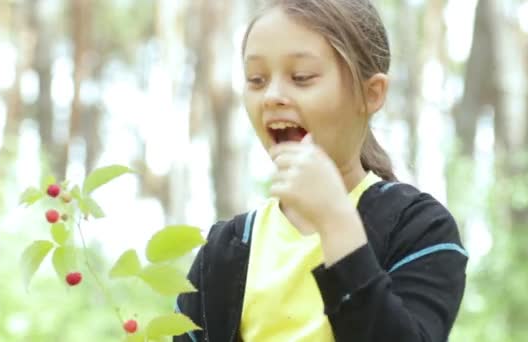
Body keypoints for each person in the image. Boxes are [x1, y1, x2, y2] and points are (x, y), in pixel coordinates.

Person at [175, 0, 468, 341]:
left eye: (301, 77)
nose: (272, 96)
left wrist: (334, 222)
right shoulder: (222, 250)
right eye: (256, 79)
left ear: (371, 95)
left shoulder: (420, 229)